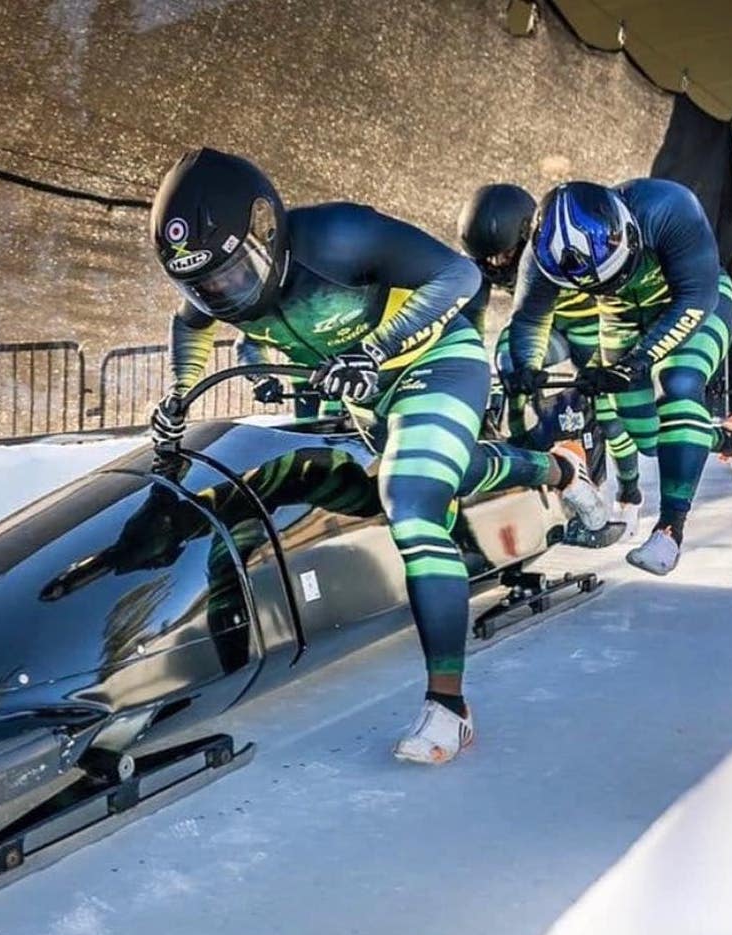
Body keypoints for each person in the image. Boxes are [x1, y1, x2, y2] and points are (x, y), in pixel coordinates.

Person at [147, 147, 607, 765]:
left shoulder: (340, 234)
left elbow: (459, 277)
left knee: (413, 506)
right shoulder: (209, 288)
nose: (222, 294)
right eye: (203, 285)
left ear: (266, 231)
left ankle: (449, 708)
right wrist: (179, 394)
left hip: (435, 362)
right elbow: (192, 326)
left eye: (231, 275)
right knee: (450, 473)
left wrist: (377, 348)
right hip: (361, 392)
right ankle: (559, 469)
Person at [505, 179, 732, 576]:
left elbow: (696, 297)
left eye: (616, 273)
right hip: (621, 316)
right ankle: (730, 440)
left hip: (693, 299)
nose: (612, 283)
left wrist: (640, 360)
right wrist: (526, 367)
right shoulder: (539, 260)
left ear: (627, 233)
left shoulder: (669, 206)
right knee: (650, 441)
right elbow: (529, 319)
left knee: (680, 385)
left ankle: (669, 530)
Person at [458, 184, 644, 533]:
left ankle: (630, 493)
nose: (495, 267)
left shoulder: (558, 244)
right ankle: (528, 462)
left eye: (504, 255)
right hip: (546, 330)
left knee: (608, 413)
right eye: (486, 260)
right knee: (511, 357)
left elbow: (606, 305)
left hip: (590, 330)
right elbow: (472, 327)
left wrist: (603, 365)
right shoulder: (483, 266)